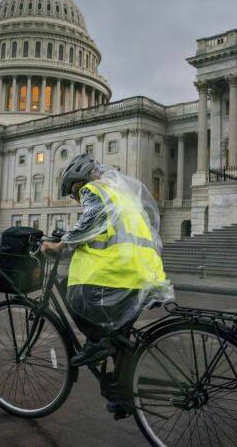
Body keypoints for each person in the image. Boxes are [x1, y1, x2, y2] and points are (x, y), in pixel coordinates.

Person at [41, 154, 172, 367]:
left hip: (119, 273)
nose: (76, 198)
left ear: (83, 181)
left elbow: (89, 221)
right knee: (120, 343)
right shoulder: (121, 196)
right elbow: (106, 226)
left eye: (74, 191)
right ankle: (121, 396)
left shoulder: (94, 189)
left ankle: (98, 342)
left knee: (72, 293)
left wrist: (59, 244)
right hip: (143, 273)